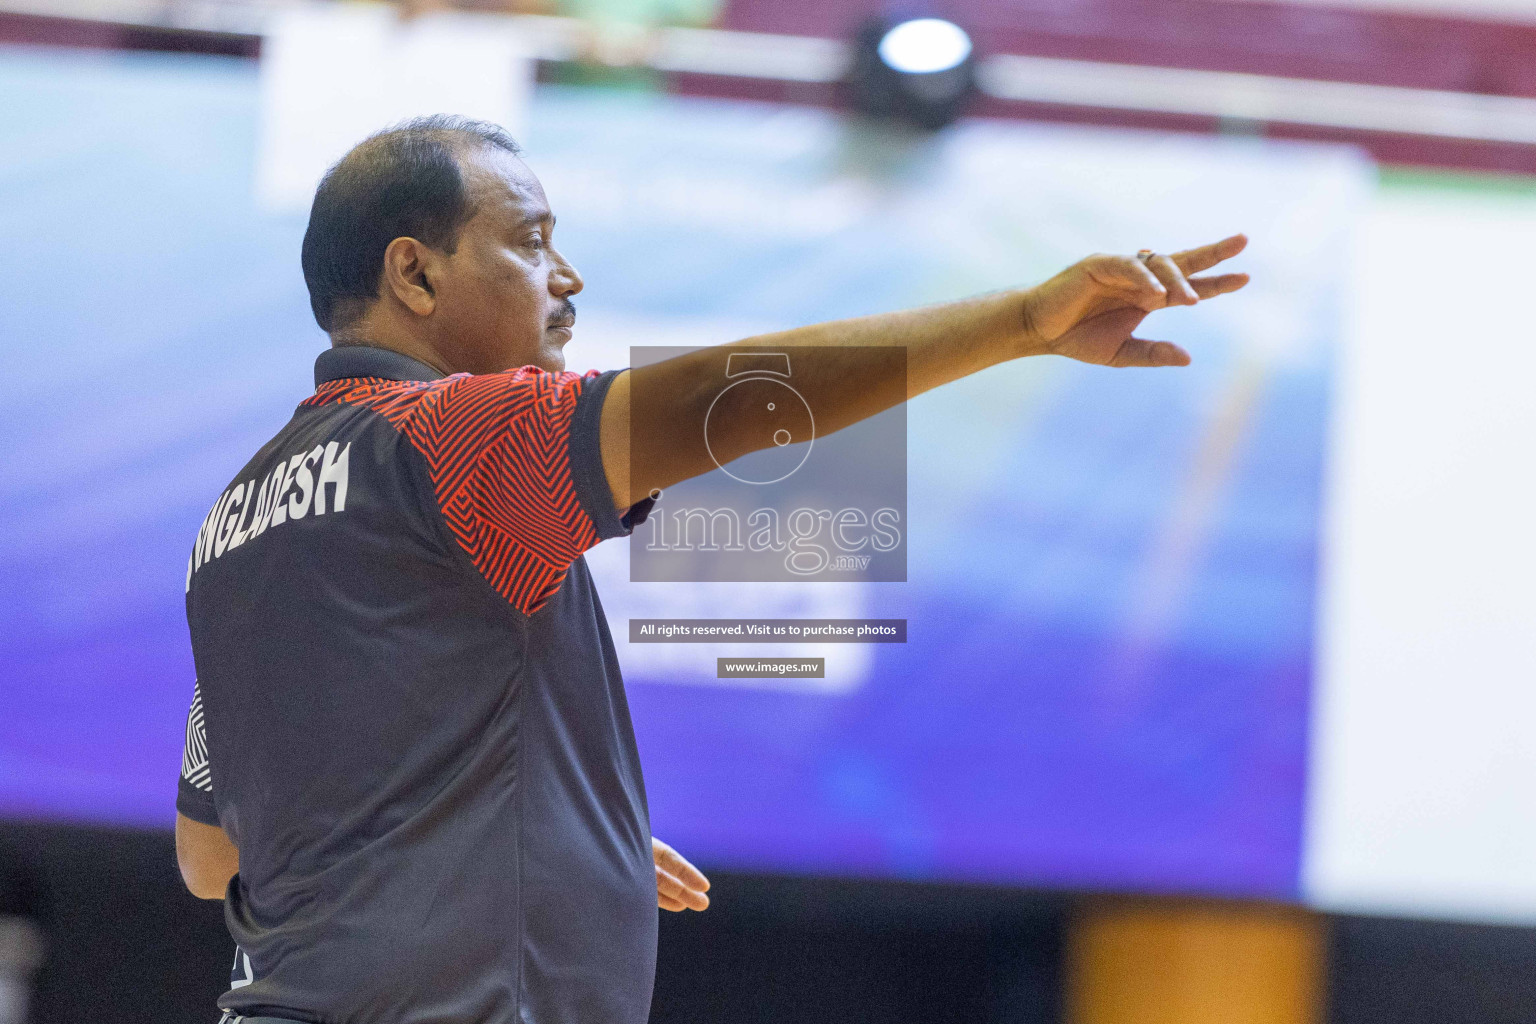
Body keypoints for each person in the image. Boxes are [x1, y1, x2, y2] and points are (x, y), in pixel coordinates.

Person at [174, 114, 1248, 1024]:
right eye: (533, 241)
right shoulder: (447, 439)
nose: (568, 277)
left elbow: (213, 855)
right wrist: (1021, 321)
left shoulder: (233, 526)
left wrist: (505, 836)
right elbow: (730, 403)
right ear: (414, 271)